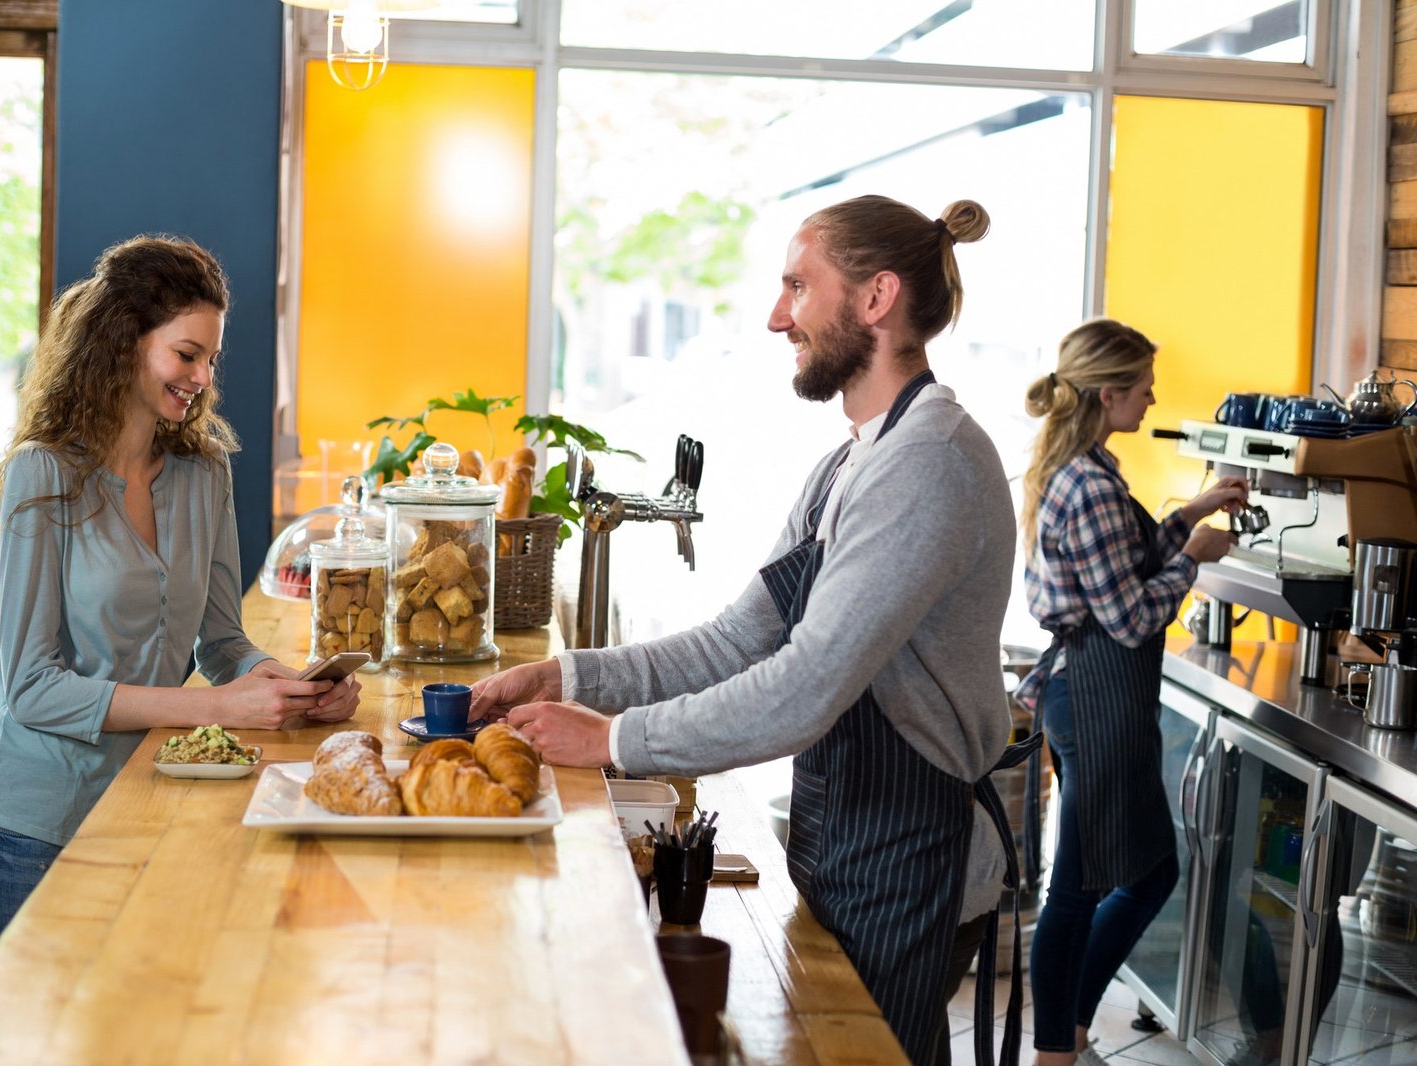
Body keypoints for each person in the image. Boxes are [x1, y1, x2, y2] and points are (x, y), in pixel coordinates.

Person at [472, 195, 1033, 1066]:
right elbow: (741, 639)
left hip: (910, 861)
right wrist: (566, 682)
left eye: (798, 286)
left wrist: (615, 740)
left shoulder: (930, 464)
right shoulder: (852, 462)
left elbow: (805, 686)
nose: (778, 317)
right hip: (848, 847)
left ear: (876, 297)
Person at [0, 236, 361, 975]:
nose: (202, 378)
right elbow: (30, 688)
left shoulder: (204, 474)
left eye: (210, 360)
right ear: (124, 342)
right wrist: (216, 709)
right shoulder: (41, 478)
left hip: (142, 813)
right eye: (185, 354)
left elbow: (220, 640)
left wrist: (286, 685)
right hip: (28, 842)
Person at [1015, 319, 1246, 1065]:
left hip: (1091, 694)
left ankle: (1070, 1027)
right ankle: (1057, 1044)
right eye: (1144, 386)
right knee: (1083, 887)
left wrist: (1193, 511)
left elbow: (1123, 558)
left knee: (1144, 871)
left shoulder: (1085, 466)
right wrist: (1197, 560)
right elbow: (1131, 614)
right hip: (1094, 695)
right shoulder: (1088, 484)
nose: (1153, 398)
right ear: (1110, 391)